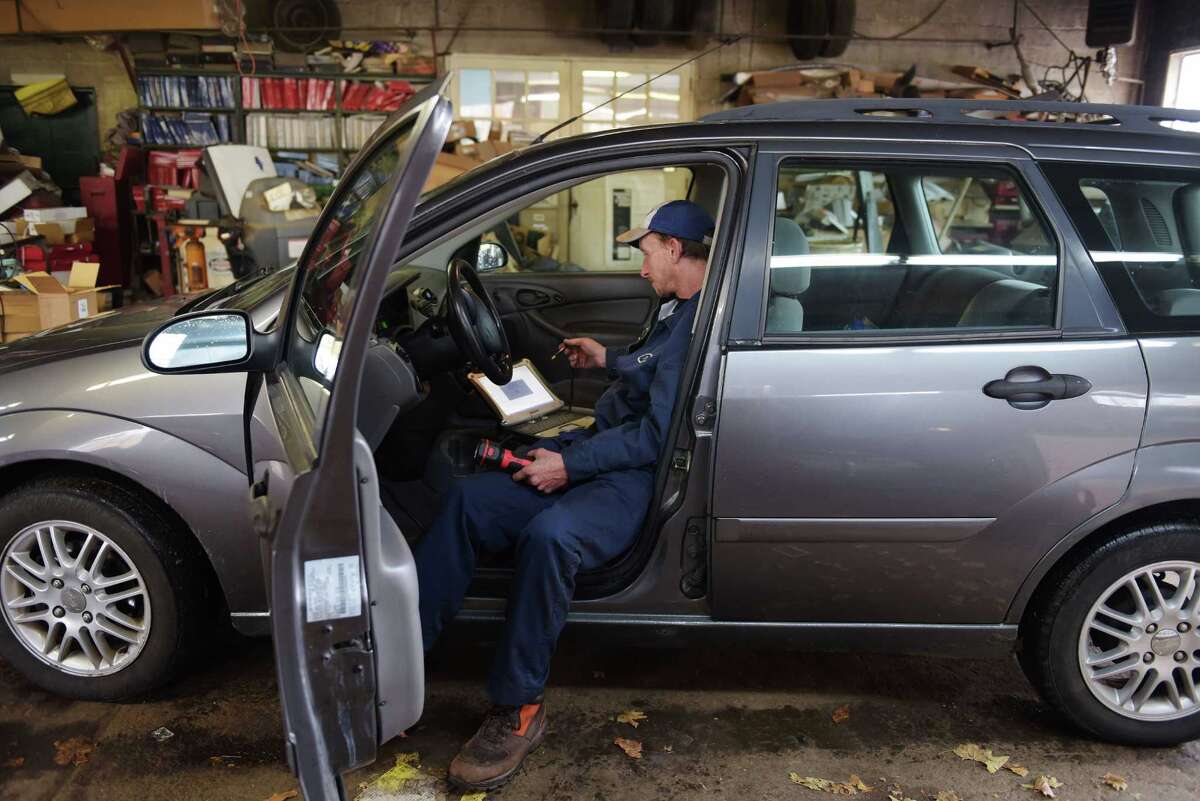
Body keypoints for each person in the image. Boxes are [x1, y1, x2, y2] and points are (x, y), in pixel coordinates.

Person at [414, 199, 715, 790]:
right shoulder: (673, 308)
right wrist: (610, 361)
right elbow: (651, 377)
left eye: (646, 251)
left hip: (635, 477)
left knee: (551, 536)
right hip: (601, 449)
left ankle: (518, 705)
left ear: (675, 248)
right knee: (470, 502)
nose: (640, 267)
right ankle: (397, 665)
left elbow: (657, 436)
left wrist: (569, 465)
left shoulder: (701, 322)